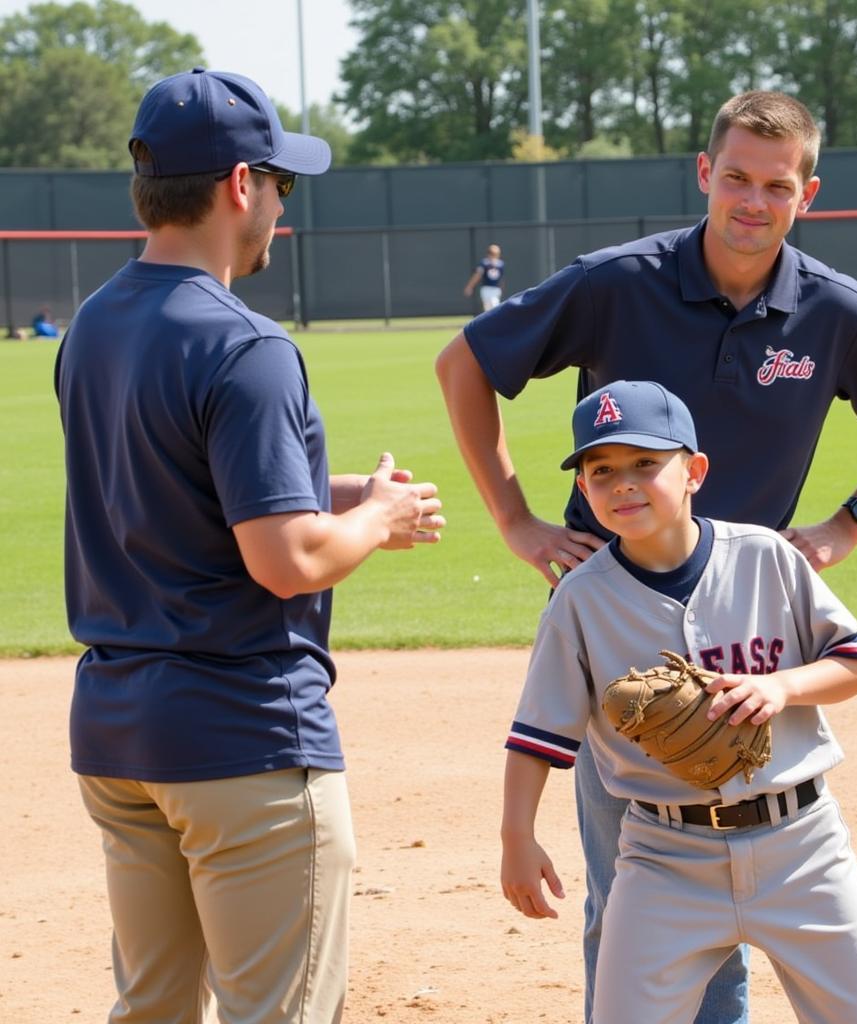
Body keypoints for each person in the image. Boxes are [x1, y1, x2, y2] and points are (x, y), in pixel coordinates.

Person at [436, 89, 857, 1024]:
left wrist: (851, 522)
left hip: (757, 622)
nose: (753, 202)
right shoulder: (618, 281)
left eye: (777, 185)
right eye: (736, 179)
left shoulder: (832, 310)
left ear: (809, 194)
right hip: (622, 610)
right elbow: (464, 363)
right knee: (642, 881)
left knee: (768, 845)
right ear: (703, 175)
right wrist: (515, 520)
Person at [55, 67, 444, 1024]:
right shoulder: (247, 345)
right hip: (241, 735)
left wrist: (346, 495)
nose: (280, 207)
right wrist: (375, 522)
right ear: (239, 186)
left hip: (117, 733)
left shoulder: (93, 324)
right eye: (280, 184)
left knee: (152, 1009)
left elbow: (167, 485)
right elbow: (288, 562)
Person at [501, 379, 857, 1024]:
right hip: (665, 860)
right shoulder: (579, 599)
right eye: (601, 471)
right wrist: (515, 836)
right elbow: (536, 738)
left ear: (694, 471)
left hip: (801, 848)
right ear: (584, 491)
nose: (622, 483)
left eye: (644, 464)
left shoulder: (766, 557)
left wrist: (780, 685)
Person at [463, 243, 505, 310]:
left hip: (496, 289)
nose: (494, 257)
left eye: (496, 254)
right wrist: (470, 287)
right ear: (488, 254)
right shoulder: (484, 263)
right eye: (492, 254)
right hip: (486, 288)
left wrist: (501, 288)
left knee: (495, 306)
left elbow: (501, 278)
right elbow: (477, 276)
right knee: (488, 309)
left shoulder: (500, 264)